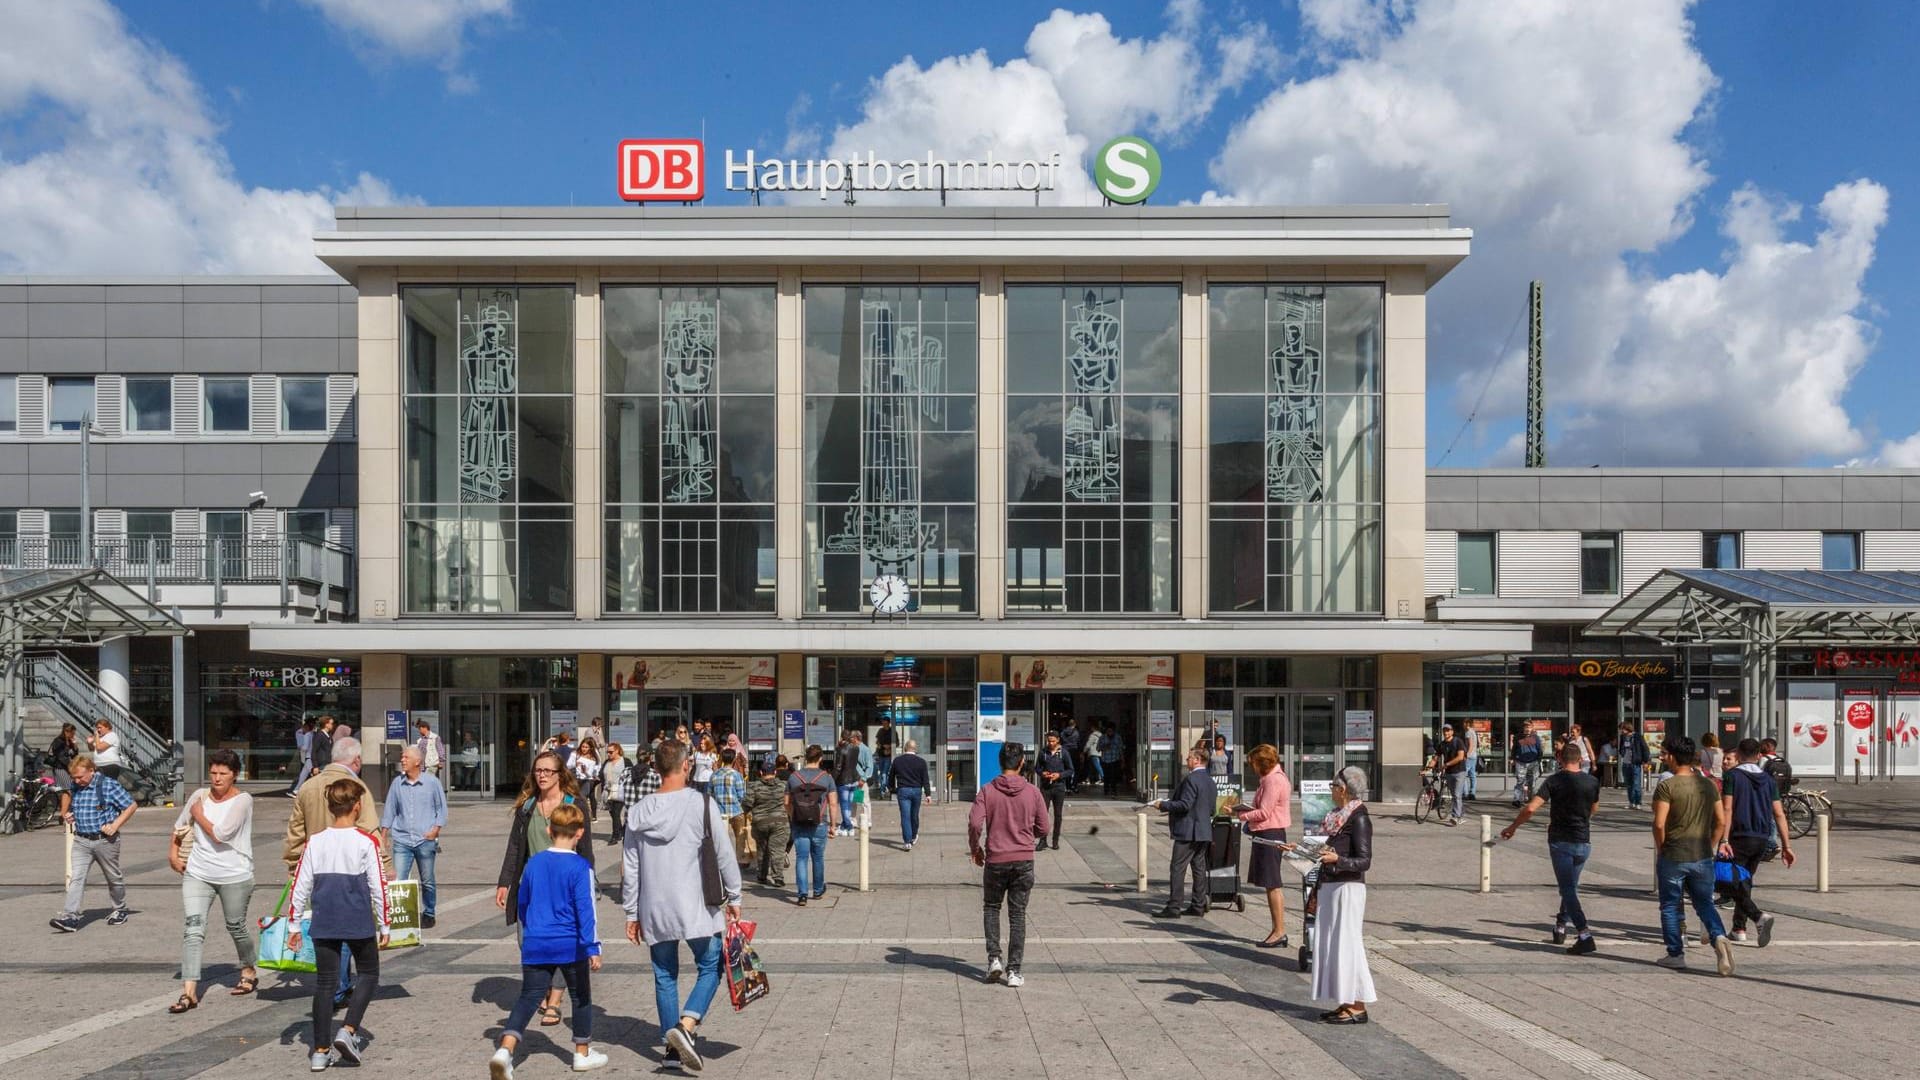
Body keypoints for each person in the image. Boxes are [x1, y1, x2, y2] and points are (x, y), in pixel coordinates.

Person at [622, 738, 742, 1073]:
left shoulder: (637, 811)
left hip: (654, 904)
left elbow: (630, 868)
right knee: (711, 965)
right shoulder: (702, 804)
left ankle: (672, 1051)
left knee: (664, 974)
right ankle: (686, 1027)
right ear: (687, 765)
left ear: (657, 768)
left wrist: (631, 912)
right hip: (697, 904)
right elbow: (723, 853)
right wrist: (735, 895)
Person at [489, 803, 606, 1078]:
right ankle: (582, 1053)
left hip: (537, 940)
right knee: (580, 997)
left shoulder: (533, 863)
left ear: (549, 829)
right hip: (570, 943)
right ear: (579, 833)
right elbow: (586, 909)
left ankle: (505, 1050)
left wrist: (532, 930)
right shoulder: (581, 867)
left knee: (528, 997)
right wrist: (593, 947)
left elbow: (524, 902)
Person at [287, 778, 388, 1071]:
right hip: (356, 917)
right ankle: (349, 1029)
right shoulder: (366, 841)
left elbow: (300, 884)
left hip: (324, 918)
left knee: (325, 984)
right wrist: (385, 924)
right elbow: (378, 886)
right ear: (357, 807)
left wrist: (294, 926)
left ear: (330, 807)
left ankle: (319, 1050)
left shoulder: (315, 842)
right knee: (369, 973)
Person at [284, 736, 391, 1010]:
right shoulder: (357, 789)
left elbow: (296, 832)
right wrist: (385, 866)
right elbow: (370, 831)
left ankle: (331, 985)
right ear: (356, 761)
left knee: (326, 928)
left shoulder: (307, 787)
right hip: (351, 872)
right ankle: (338, 988)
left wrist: (294, 867)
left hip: (316, 870)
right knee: (346, 933)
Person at [498, 749, 595, 1029]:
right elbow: (515, 847)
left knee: (564, 942)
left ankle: (554, 1000)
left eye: (547, 771)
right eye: (537, 771)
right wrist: (505, 882)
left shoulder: (574, 803)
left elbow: (585, 848)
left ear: (559, 774)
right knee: (526, 940)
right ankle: (541, 988)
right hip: (531, 885)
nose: (541, 776)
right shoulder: (527, 806)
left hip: (564, 885)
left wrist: (586, 880)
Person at [167, 748, 258, 1011]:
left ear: (235, 775)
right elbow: (178, 827)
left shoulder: (243, 801)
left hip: (235, 874)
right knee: (193, 929)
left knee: (236, 926)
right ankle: (189, 993)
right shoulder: (199, 796)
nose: (216, 778)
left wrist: (199, 815)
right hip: (198, 872)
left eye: (223, 774)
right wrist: (173, 854)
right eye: (213, 773)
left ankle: (249, 968)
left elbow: (221, 834)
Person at [1501, 742, 1600, 955]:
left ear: (1560, 760)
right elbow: (1594, 807)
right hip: (1584, 842)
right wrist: (1583, 820)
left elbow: (1530, 808)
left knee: (1567, 889)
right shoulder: (1592, 781)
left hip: (1561, 841)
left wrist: (1513, 827)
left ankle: (1584, 934)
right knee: (1570, 886)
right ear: (1580, 760)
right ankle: (1561, 926)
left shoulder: (1554, 781)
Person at [1297, 767, 1375, 1024]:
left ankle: (1358, 1006)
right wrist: (1300, 851)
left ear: (1343, 790)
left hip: (1347, 888)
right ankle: (1346, 1001)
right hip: (1331, 885)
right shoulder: (1339, 816)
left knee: (1348, 945)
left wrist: (1337, 859)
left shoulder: (1359, 818)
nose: (1330, 789)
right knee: (1334, 946)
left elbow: (1364, 861)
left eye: (1332, 785)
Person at [1651, 736, 1735, 976]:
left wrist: (1661, 847)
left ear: (1675, 757)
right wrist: (1712, 844)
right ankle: (1718, 936)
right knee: (1704, 903)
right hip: (1702, 854)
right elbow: (1720, 820)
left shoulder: (1667, 786)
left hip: (1674, 854)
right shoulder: (1708, 785)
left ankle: (1675, 954)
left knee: (1670, 905)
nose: (1663, 757)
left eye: (1665, 754)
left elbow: (1659, 823)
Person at [968, 742, 1048, 988]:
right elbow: (1045, 827)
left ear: (1000, 762)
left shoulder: (987, 790)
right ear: (1022, 762)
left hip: (996, 858)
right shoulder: (1033, 792)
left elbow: (974, 823)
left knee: (992, 908)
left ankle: (994, 959)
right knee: (1018, 914)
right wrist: (1027, 834)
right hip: (1023, 858)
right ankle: (1014, 971)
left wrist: (976, 848)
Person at [1720, 738, 1795, 946]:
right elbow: (1779, 813)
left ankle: (1757, 916)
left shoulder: (1732, 776)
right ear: (1759, 756)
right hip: (1761, 838)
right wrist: (1786, 846)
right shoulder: (1769, 780)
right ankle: (1738, 927)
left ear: (1740, 755)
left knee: (1730, 882)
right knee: (1745, 882)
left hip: (1738, 836)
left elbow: (1727, 808)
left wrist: (1723, 838)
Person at [51, 753, 135, 932]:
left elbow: (131, 805)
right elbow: (79, 805)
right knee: (77, 879)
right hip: (81, 840)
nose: (77, 781)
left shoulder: (108, 785)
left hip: (105, 841)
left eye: (80, 777)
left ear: (91, 770)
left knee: (113, 878)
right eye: (74, 777)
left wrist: (115, 824)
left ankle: (120, 909)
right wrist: (71, 814)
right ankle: (70, 917)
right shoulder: (76, 786)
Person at [1235, 744, 1293, 948]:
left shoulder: (1272, 780)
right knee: (1270, 884)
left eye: (1253, 764)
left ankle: (1279, 931)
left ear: (1262, 763)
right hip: (1268, 832)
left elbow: (1265, 812)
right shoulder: (1273, 778)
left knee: (1272, 883)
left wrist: (1241, 815)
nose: (1252, 768)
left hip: (1270, 833)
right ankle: (1277, 930)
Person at [383, 746, 447, 929]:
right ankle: (402, 915)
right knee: (399, 881)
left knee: (427, 880)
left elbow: (441, 808)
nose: (402, 760)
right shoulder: (397, 783)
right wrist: (384, 834)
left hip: (424, 840)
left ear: (417, 761)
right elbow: (390, 809)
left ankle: (429, 912)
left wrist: (435, 830)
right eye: (402, 757)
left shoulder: (431, 782)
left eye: (406, 757)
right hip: (402, 839)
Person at [1152, 746, 1217, 918]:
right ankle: (1198, 904)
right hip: (1203, 830)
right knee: (1199, 867)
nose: (1186, 760)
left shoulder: (1191, 779)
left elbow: (1185, 804)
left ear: (1197, 760)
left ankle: (1174, 906)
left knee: (1177, 867)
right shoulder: (1210, 781)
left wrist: (1163, 804)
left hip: (1188, 830)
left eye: (1189, 758)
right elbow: (1211, 808)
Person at [786, 745, 839, 905]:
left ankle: (802, 894)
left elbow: (786, 803)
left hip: (799, 822)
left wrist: (793, 815)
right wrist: (833, 825)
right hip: (819, 823)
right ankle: (817, 890)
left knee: (801, 858)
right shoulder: (827, 778)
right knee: (818, 857)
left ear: (805, 758)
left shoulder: (794, 777)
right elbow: (833, 803)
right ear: (820, 759)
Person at [742, 753, 791, 886]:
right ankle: (778, 877)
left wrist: (745, 814)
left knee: (762, 850)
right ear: (775, 772)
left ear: (760, 772)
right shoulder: (784, 785)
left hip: (760, 822)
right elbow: (790, 802)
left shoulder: (754, 787)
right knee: (778, 850)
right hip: (780, 822)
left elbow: (747, 804)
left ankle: (762, 875)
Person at [1033, 731, 1074, 851]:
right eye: (1049, 741)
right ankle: (1043, 840)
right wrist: (1042, 773)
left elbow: (1071, 770)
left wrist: (1059, 775)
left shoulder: (1064, 753)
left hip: (1059, 787)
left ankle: (1055, 840)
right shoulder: (1043, 752)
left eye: (1053, 741)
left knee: (1058, 815)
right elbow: (1037, 768)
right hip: (1045, 788)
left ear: (1058, 740)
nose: (1050, 743)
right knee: (1042, 814)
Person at [890, 739, 931, 850]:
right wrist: (928, 794)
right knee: (914, 815)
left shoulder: (897, 761)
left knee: (905, 816)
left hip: (903, 790)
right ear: (915, 749)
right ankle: (913, 835)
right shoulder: (921, 762)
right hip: (917, 790)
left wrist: (892, 789)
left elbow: (891, 776)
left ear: (905, 748)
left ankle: (907, 842)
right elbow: (925, 779)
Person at [1430, 723, 1468, 825]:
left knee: (1456, 794)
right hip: (1449, 773)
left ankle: (1456, 817)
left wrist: (1447, 764)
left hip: (1460, 771)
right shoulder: (1442, 744)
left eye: (1448, 730)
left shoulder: (1458, 741)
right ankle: (1461, 812)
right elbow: (1435, 758)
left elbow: (1460, 757)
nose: (1446, 732)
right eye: (1444, 731)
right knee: (1455, 795)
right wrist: (1428, 768)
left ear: (1452, 732)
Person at [832, 731, 862, 837]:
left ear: (841, 738)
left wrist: (832, 779)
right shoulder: (856, 748)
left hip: (843, 780)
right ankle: (844, 827)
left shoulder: (841, 749)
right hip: (853, 779)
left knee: (844, 805)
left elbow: (838, 767)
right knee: (848, 805)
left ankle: (849, 826)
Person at [1618, 719, 1651, 810]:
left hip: (1635, 763)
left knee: (1636, 783)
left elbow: (1645, 749)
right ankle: (1631, 802)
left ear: (1627, 728)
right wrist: (1622, 752)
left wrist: (1645, 761)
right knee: (1629, 784)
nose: (1621, 731)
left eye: (1622, 729)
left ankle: (1638, 802)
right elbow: (1621, 748)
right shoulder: (1623, 737)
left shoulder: (1637, 737)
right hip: (1626, 763)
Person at [601, 744, 631, 844]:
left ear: (617, 751)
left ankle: (615, 835)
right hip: (608, 792)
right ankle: (620, 832)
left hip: (620, 791)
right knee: (612, 814)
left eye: (611, 752)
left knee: (616, 812)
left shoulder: (625, 761)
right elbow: (601, 775)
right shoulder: (606, 762)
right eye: (607, 752)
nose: (608, 754)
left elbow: (631, 774)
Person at [711, 747, 745, 824]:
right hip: (735, 812)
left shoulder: (714, 775)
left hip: (718, 814)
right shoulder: (737, 775)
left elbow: (710, 795)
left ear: (722, 759)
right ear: (734, 760)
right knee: (737, 836)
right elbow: (741, 796)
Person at [1511, 728, 1544, 806]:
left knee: (1532, 782)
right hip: (1521, 762)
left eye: (1529, 727)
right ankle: (1517, 799)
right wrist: (1513, 759)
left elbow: (1540, 750)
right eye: (1526, 728)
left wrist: (1538, 760)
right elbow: (1514, 749)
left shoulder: (1535, 737)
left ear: (1532, 728)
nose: (1527, 730)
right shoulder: (1518, 737)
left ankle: (1531, 799)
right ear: (1523, 728)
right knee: (1520, 781)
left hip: (1533, 762)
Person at [572, 738, 603, 821]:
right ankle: (583, 815)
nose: (584, 749)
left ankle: (589, 815)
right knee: (581, 797)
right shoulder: (577, 754)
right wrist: (574, 764)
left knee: (584, 797)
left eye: (586, 747)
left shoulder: (593, 758)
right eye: (583, 746)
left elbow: (594, 770)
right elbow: (569, 765)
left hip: (588, 780)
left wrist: (586, 772)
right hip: (577, 779)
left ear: (590, 748)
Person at [48, 722, 80, 788]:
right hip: (60, 767)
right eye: (72, 733)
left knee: (67, 788)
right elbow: (60, 756)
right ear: (66, 732)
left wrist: (75, 747)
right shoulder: (58, 741)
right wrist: (70, 765)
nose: (73, 735)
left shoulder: (70, 741)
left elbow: (74, 756)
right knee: (68, 787)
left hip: (67, 767)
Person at [287, 719, 314, 796]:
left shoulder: (307, 734)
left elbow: (304, 747)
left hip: (308, 755)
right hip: (308, 755)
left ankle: (296, 789)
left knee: (305, 772)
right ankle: (296, 789)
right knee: (304, 772)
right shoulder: (309, 734)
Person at [873, 717, 896, 797]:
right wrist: (882, 746)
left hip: (889, 756)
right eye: (883, 723)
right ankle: (885, 787)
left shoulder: (892, 732)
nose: (884, 725)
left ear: (888, 723)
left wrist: (889, 747)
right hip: (881, 755)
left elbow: (897, 743)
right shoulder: (880, 731)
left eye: (885, 723)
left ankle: (882, 791)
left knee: (884, 773)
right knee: (881, 773)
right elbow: (877, 742)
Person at [1100, 721, 1124, 797]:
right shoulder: (1102, 737)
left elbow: (1121, 749)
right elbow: (1098, 748)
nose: (1110, 732)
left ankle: (1114, 790)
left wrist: (1123, 759)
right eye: (1108, 731)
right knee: (1106, 776)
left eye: (1111, 731)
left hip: (1115, 759)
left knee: (1114, 776)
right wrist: (1104, 746)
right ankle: (1106, 790)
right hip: (1105, 759)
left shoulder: (1118, 737)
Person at [1083, 724, 1105, 791]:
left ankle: (1103, 779)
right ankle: (1089, 779)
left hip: (1093, 752)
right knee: (1093, 767)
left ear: (1093, 728)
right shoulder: (1101, 735)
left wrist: (1084, 751)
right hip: (1099, 752)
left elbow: (1088, 744)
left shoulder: (1092, 735)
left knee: (1097, 766)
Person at [1461, 723, 1479, 799]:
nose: (1463, 725)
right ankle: (1472, 793)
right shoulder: (1474, 732)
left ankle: (1465, 793)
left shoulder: (1468, 732)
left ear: (1466, 724)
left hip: (1469, 756)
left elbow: (1470, 745)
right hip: (1474, 756)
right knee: (1472, 775)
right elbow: (1476, 744)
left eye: (1463, 723)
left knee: (1463, 775)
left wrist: (1466, 755)